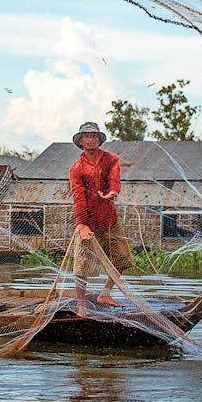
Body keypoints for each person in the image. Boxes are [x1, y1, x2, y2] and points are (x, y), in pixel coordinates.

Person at [69, 122, 134, 318]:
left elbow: (114, 180)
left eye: (94, 135)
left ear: (99, 139)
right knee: (81, 266)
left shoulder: (111, 159)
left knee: (122, 257)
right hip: (87, 221)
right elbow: (78, 196)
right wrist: (81, 224)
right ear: (81, 141)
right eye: (87, 136)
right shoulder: (76, 168)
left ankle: (104, 294)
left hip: (108, 218)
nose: (91, 139)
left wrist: (113, 192)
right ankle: (81, 307)